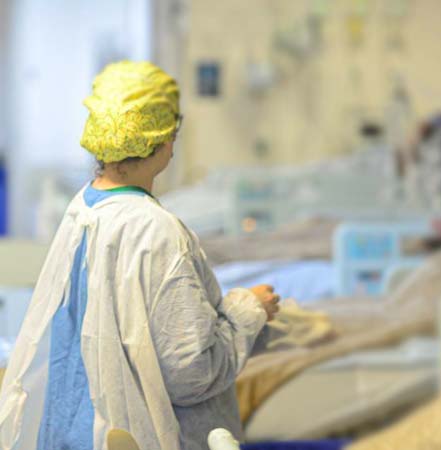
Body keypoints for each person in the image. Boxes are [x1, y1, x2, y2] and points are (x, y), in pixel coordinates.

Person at [0, 61, 279, 450]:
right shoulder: (155, 230)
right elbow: (191, 373)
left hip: (76, 435)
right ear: (163, 140)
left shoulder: (84, 208)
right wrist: (248, 312)